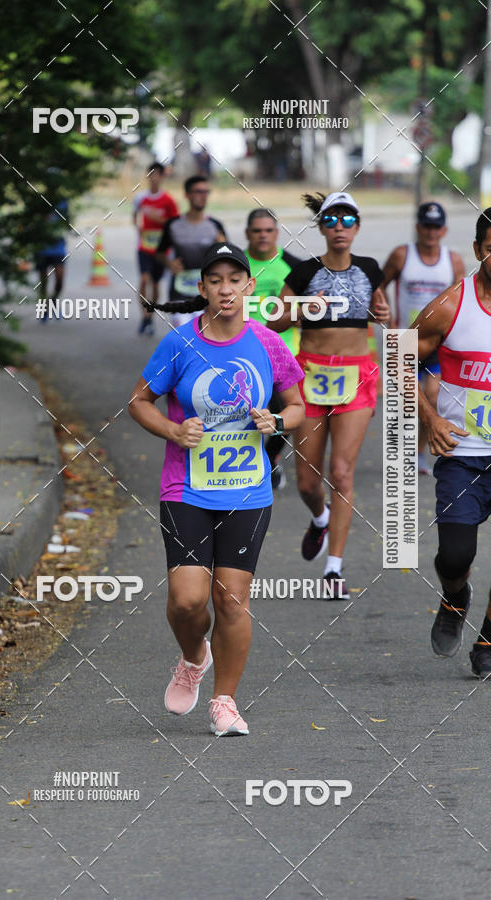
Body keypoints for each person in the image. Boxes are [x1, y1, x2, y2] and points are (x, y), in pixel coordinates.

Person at [128, 242, 305, 735]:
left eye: (234, 279)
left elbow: (298, 405)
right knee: (188, 600)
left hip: (248, 490)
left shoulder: (269, 344)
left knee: (230, 600)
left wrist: (277, 420)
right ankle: (192, 657)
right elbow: (139, 402)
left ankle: (225, 701)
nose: (225, 289)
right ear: (202, 287)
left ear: (249, 285)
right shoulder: (180, 343)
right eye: (214, 280)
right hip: (186, 487)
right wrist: (172, 430)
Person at [268, 191, 390, 599]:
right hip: (312, 375)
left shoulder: (372, 269)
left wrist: (383, 316)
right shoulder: (303, 271)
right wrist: (303, 307)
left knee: (341, 472)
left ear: (357, 226)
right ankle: (319, 518)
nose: (340, 227)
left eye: (348, 219)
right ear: (320, 227)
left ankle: (333, 569)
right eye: (332, 220)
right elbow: (274, 317)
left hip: (356, 377)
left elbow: (379, 312)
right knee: (307, 481)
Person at [414, 208, 491, 678]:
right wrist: (430, 421)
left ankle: (487, 638)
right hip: (463, 454)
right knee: (455, 555)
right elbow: (399, 356)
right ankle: (455, 595)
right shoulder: (450, 306)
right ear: (483, 250)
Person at [382, 202, 465, 474]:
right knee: (407, 399)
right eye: (426, 226)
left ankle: (418, 452)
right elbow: (378, 288)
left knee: (431, 394)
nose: (431, 232)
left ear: (444, 230)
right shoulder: (401, 255)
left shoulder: (452, 261)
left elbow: (462, 301)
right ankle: (400, 449)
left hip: (438, 342)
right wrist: (388, 322)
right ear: (418, 227)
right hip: (406, 340)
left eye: (436, 227)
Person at [244, 207, 302, 489]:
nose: (263, 235)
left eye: (268, 230)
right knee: (245, 414)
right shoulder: (237, 265)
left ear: (277, 233)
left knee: (288, 415)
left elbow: (306, 312)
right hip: (244, 351)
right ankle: (246, 466)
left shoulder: (292, 264)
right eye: (257, 230)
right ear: (247, 234)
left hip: (284, 352)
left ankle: (270, 457)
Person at [154, 175, 227, 329]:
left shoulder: (215, 225)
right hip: (180, 293)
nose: (203, 196)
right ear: (187, 195)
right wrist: (169, 263)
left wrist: (222, 246)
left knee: (205, 341)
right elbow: (159, 252)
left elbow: (229, 259)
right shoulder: (173, 224)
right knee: (184, 340)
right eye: (198, 191)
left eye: (207, 192)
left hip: (208, 295)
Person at [132, 162, 179, 336]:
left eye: (158, 174)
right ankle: (144, 314)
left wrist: (158, 220)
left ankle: (149, 316)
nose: (154, 178)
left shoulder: (168, 200)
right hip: (143, 246)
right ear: (147, 176)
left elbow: (175, 224)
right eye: (151, 174)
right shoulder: (140, 198)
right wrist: (138, 227)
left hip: (161, 249)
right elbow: (135, 216)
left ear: (162, 177)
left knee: (156, 282)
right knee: (144, 279)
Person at [36, 198, 68, 323]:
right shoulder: (39, 202)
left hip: (58, 249)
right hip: (42, 250)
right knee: (43, 283)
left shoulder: (63, 202)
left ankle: (53, 303)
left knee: (59, 280)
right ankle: (44, 310)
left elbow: (67, 222)